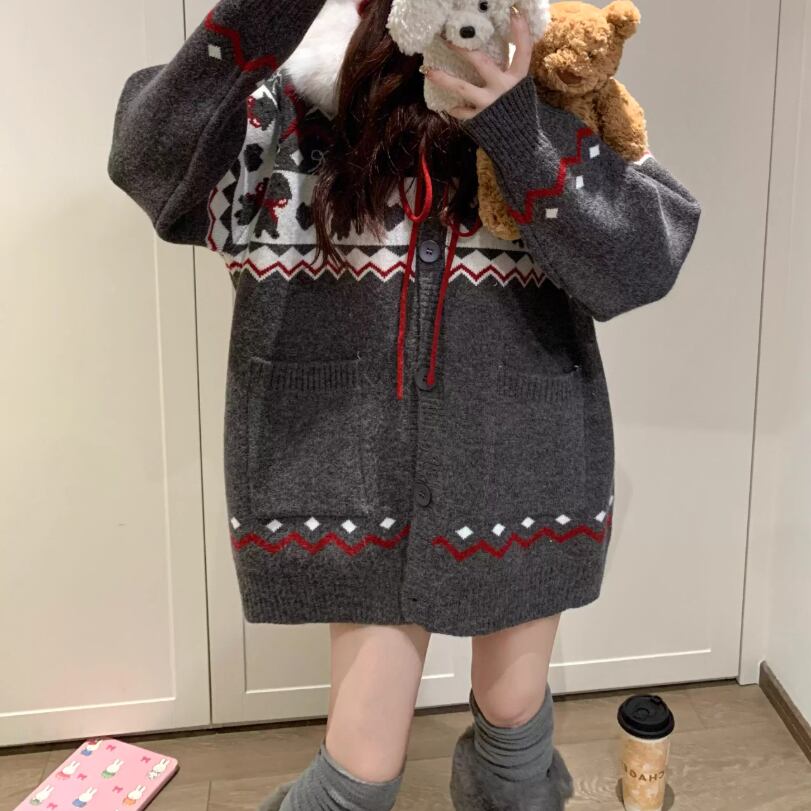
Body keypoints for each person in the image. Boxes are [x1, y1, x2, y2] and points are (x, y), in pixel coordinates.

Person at [107, 0, 701, 808]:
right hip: (344, 475)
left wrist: (517, 131)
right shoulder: (294, 108)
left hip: (523, 465)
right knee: (359, 769)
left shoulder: (556, 95)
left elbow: (647, 258)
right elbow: (148, 165)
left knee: (513, 724)